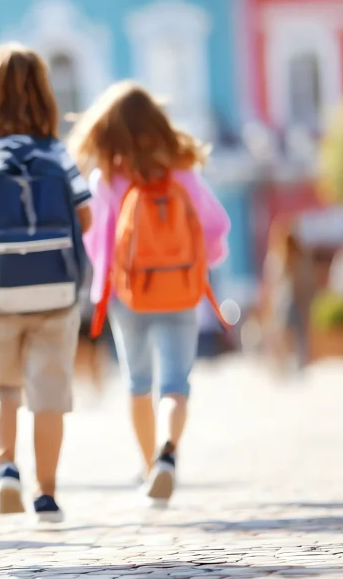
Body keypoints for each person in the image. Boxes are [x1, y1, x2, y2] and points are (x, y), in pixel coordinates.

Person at [0, 44, 92, 522]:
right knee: (50, 394)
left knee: (2, 389)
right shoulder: (57, 152)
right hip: (56, 290)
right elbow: (85, 217)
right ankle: (47, 494)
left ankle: (6, 468)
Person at [72, 81, 231, 505]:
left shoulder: (106, 176)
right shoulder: (182, 168)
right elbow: (215, 227)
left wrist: (100, 290)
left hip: (128, 293)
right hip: (180, 287)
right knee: (176, 382)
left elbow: (98, 243)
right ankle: (168, 455)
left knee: (137, 381)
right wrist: (202, 262)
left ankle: (148, 470)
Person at [261, 217, 314, 373]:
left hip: (285, 302)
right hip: (290, 301)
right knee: (295, 334)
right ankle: (293, 364)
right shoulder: (292, 257)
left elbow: (271, 284)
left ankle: (285, 365)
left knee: (285, 334)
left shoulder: (282, 257)